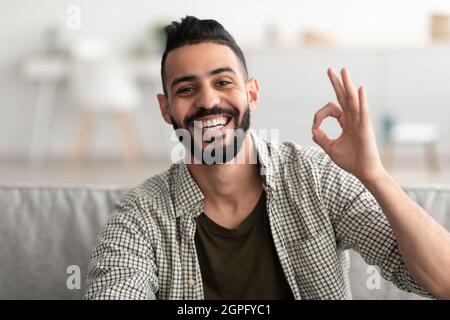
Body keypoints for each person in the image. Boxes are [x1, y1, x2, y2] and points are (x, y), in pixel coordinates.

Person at [85, 16, 450, 300]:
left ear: (252, 93)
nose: (208, 101)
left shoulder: (315, 178)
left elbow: (444, 281)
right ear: (166, 109)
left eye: (223, 82)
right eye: (186, 89)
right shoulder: (140, 215)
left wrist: (374, 175)